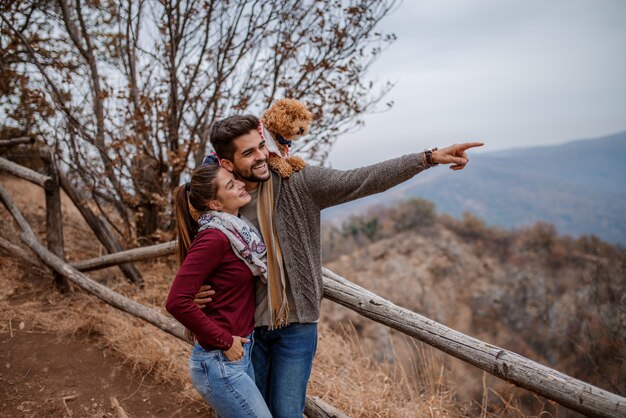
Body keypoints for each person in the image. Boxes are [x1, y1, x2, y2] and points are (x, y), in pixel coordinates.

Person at [195, 114, 483, 417]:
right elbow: (198, 246)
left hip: (296, 327)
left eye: (261, 146)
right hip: (246, 329)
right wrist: (199, 287)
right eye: (248, 153)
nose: (262, 156)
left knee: (287, 412)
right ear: (226, 163)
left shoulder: (299, 183)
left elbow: (362, 180)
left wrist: (428, 158)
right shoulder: (222, 201)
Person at [166, 162, 272, 418]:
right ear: (215, 204)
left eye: (235, 179)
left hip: (236, 355)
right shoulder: (214, 237)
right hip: (219, 362)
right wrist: (225, 341)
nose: (240, 185)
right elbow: (176, 301)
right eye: (231, 185)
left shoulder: (237, 232)